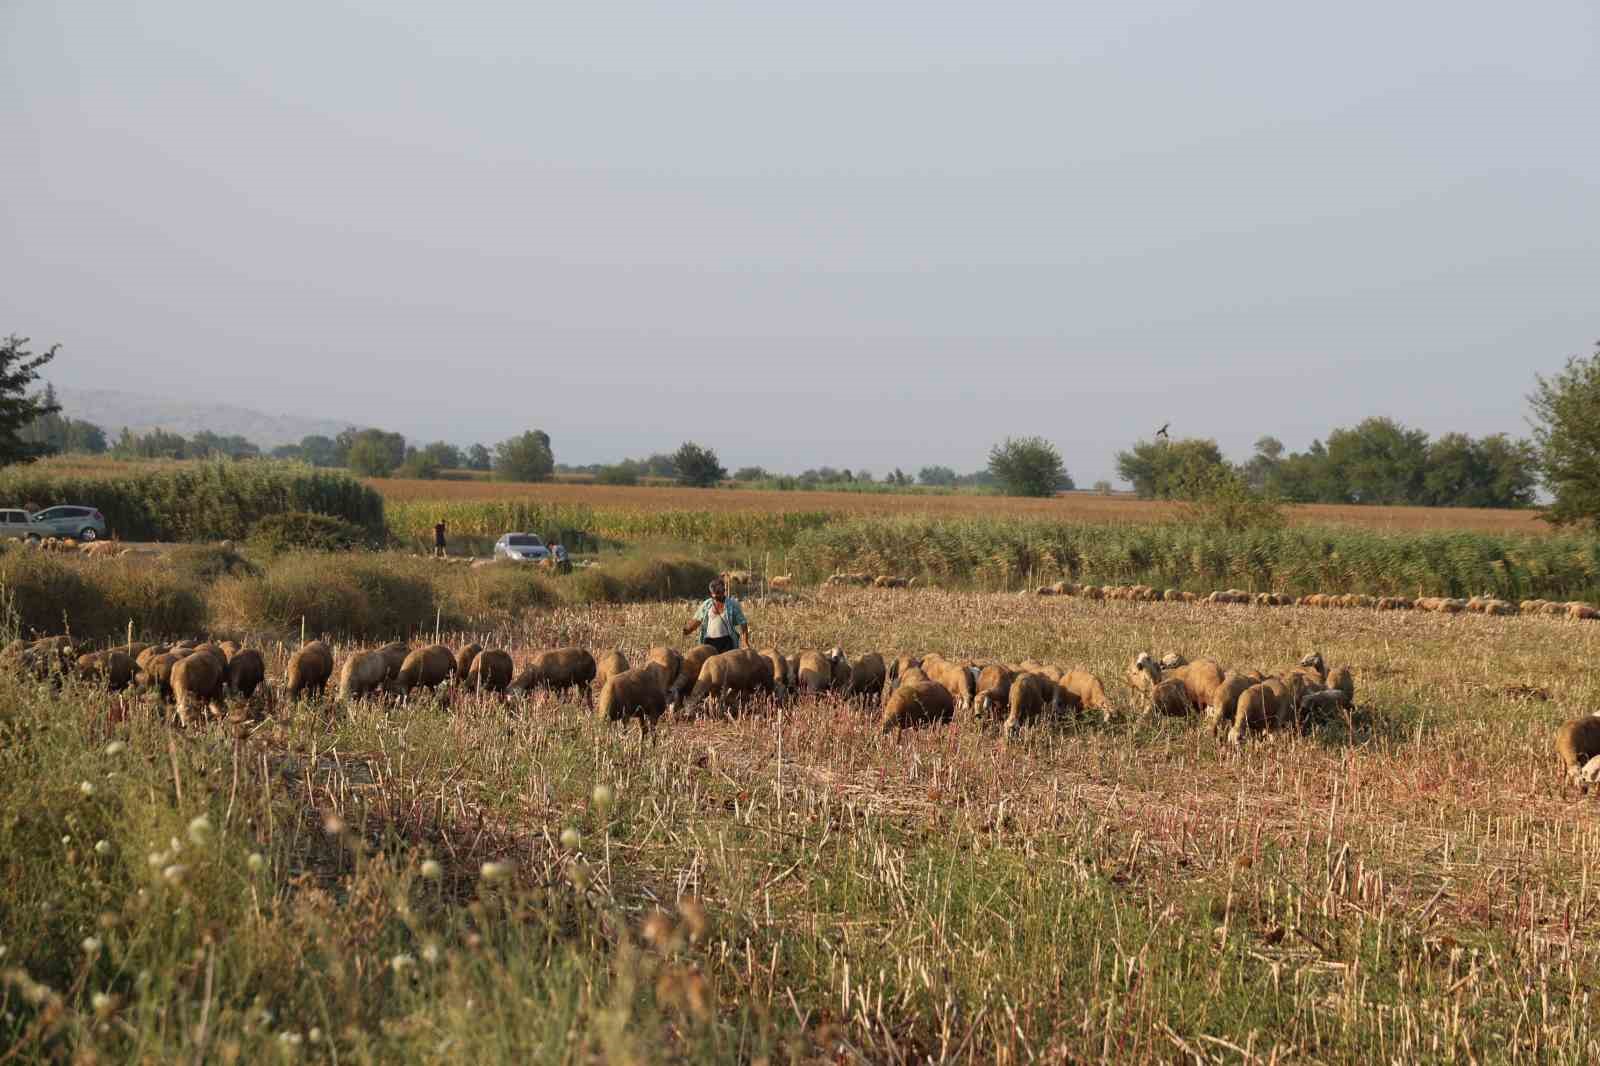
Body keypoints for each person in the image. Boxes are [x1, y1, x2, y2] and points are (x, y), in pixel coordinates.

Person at [682, 577, 749, 653]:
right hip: (709, 642)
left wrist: (745, 642)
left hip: (726, 642)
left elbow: (743, 623)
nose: (719, 595)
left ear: (724, 591)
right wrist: (687, 629)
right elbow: (697, 621)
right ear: (711, 593)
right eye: (716, 593)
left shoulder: (732, 604)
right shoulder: (707, 605)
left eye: (721, 592)